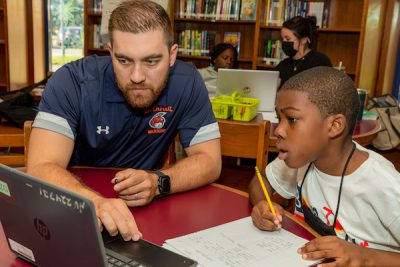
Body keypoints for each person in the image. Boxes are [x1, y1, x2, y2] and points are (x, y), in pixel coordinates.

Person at [27, 0, 221, 242]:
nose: (137, 77)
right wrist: (94, 203)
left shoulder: (188, 82)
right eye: (124, 60)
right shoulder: (71, 82)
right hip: (71, 206)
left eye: (151, 61)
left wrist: (159, 181)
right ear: (110, 53)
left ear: (172, 55)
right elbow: (40, 166)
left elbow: (211, 161)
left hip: (147, 216)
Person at [249, 66, 400, 266]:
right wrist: (262, 205)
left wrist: (365, 257)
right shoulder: (302, 158)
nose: (279, 130)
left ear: (334, 126)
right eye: (279, 118)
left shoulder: (384, 184)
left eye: (292, 119)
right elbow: (261, 182)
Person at [276, 16, 332, 87]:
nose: (284, 42)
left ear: (304, 40)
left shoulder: (320, 61)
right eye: (282, 39)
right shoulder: (283, 65)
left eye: (287, 39)